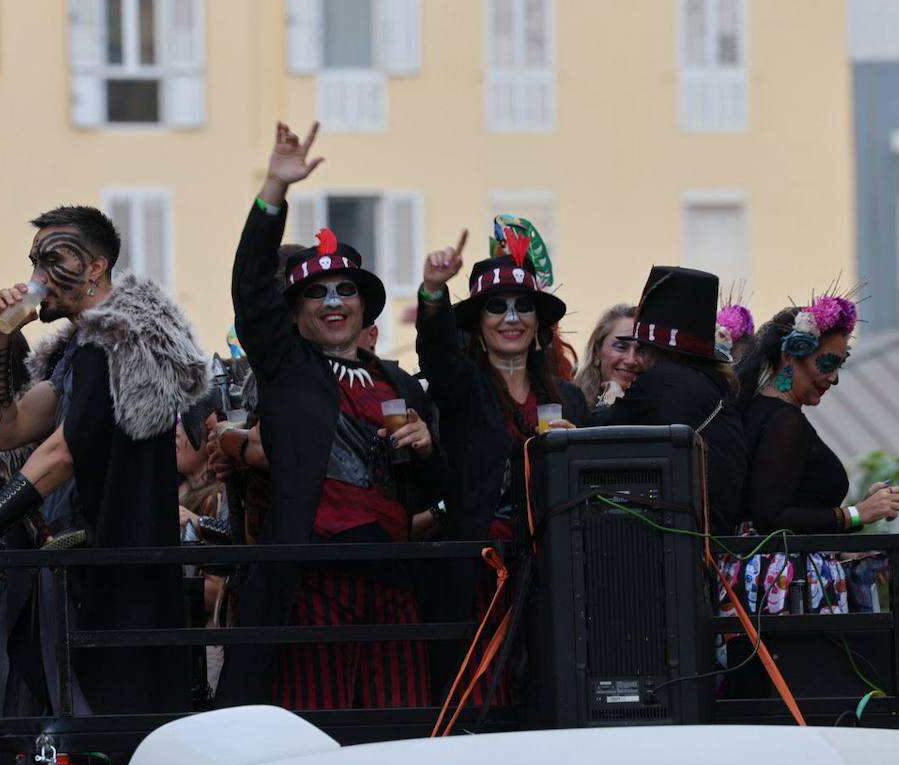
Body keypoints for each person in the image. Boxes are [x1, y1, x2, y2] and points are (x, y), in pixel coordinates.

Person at [0, 205, 209, 715]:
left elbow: (61, 455)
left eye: (53, 260)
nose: (35, 278)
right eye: (33, 261)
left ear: (96, 267)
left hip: (124, 581)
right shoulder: (81, 350)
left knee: (109, 743)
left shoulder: (120, 339)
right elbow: (0, 431)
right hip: (84, 580)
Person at [215, 121, 443, 710]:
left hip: (394, 582)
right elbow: (249, 292)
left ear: (366, 304)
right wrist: (273, 191)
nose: (335, 302)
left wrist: (427, 448)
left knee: (402, 733)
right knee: (320, 734)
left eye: (346, 290)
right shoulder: (290, 370)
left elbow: (434, 492)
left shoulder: (400, 383)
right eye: (318, 293)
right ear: (294, 314)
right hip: (313, 582)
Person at [415, 224, 588, 702]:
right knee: (481, 695)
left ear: (537, 321)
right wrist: (433, 291)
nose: (511, 317)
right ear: (478, 322)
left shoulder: (569, 398)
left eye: (523, 306)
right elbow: (435, 353)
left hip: (555, 567)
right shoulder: (463, 388)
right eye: (497, 306)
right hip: (480, 569)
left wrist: (579, 453)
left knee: (550, 689)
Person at [723, 299, 899, 614]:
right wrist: (856, 514)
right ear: (789, 356)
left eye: (840, 364)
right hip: (783, 592)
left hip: (768, 582)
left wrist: (861, 512)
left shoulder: (763, 414)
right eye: (827, 364)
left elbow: (787, 512)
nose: (834, 377)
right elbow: (772, 518)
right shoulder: (785, 421)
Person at [593, 266, 748, 534]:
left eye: (641, 348)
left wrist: (611, 398)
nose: (635, 360)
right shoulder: (714, 385)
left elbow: (596, 431)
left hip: (675, 543)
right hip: (714, 540)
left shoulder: (664, 380)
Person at [574, 303, 644, 408]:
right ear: (597, 351)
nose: (630, 360)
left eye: (642, 351)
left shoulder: (661, 409)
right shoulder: (570, 404)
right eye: (621, 347)